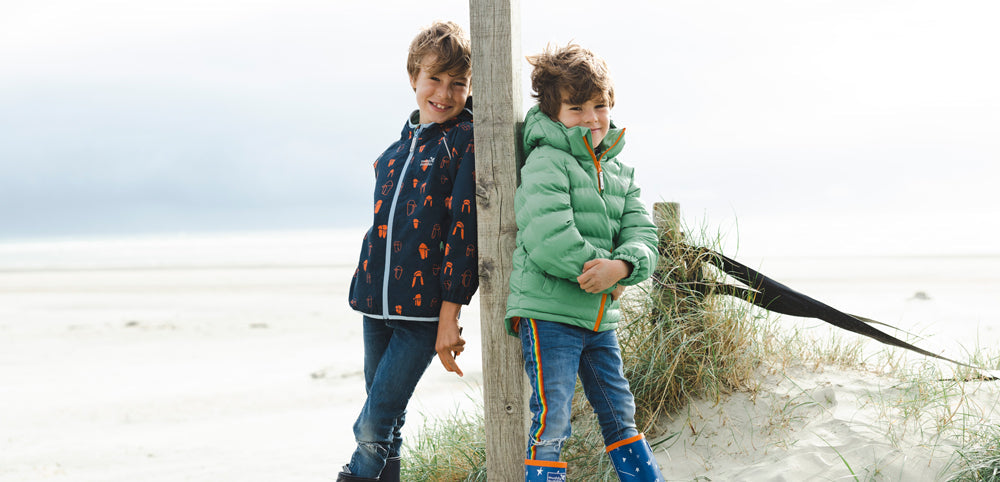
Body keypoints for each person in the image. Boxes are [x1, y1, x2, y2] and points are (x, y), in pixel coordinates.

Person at [505, 43, 664, 482]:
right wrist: (602, 270)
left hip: (599, 318)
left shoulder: (620, 172)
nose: (592, 119)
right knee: (553, 414)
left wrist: (626, 267)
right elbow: (548, 234)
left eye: (600, 106)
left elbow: (643, 235)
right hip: (549, 313)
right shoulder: (546, 160)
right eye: (576, 108)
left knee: (619, 410)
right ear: (555, 113)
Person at [340, 20, 477, 482]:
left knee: (372, 425)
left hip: (421, 314)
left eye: (458, 83)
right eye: (434, 78)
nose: (444, 92)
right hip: (373, 307)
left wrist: (449, 313)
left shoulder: (466, 142)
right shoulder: (395, 151)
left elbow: (464, 232)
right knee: (388, 428)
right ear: (413, 77)